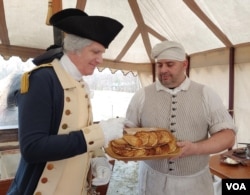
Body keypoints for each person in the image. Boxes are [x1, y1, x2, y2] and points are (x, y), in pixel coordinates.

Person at [7, 8, 124, 195]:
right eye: (95, 52)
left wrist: (97, 158)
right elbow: (32, 148)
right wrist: (99, 134)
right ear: (74, 49)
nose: (100, 60)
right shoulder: (41, 80)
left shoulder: (80, 84)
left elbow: (81, 132)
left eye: (102, 53)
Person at [125, 40, 237, 195]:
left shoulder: (206, 94)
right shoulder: (142, 95)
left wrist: (196, 148)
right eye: (160, 65)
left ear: (184, 64)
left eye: (170, 64)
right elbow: (128, 130)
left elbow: (228, 136)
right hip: (152, 182)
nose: (163, 69)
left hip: (194, 184)